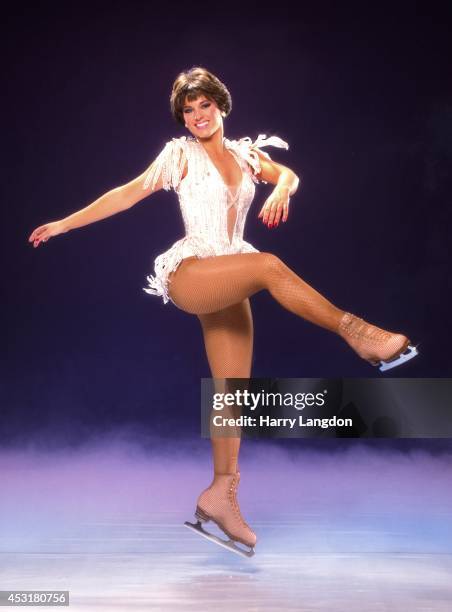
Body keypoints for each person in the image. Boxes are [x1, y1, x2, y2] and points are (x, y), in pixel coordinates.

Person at [28, 66, 418, 558]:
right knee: (270, 265)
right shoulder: (179, 155)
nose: (196, 117)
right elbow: (126, 194)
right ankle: (357, 333)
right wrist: (64, 224)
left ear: (221, 106)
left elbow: (289, 174)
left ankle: (221, 495)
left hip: (231, 275)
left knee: (233, 392)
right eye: (188, 111)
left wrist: (282, 187)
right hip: (193, 272)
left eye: (204, 106)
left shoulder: (245, 154)